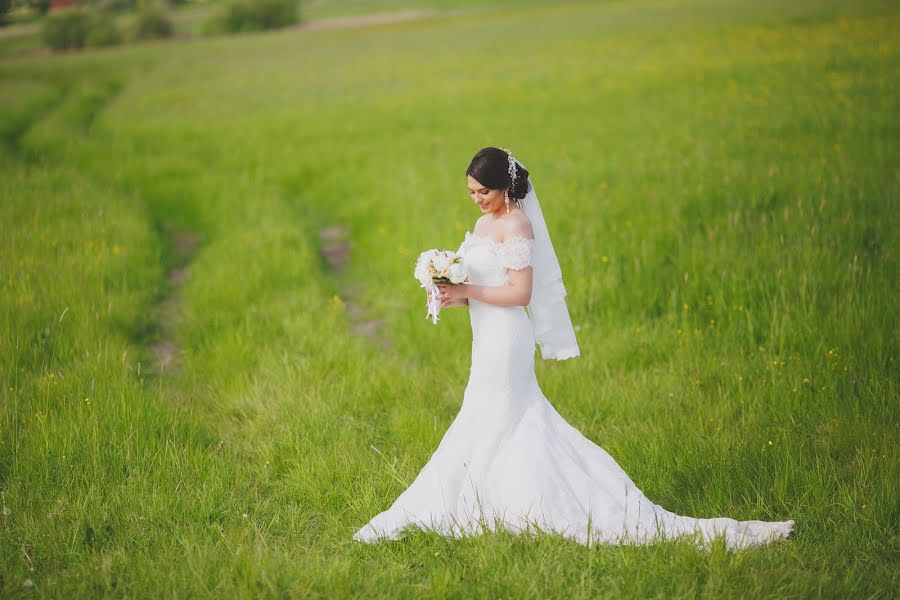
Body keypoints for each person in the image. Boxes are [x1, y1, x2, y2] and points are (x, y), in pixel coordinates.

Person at [352, 147, 794, 549]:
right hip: (484, 337)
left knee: (505, 413)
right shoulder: (483, 223)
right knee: (483, 413)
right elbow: (485, 284)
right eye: (471, 192)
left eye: (483, 191)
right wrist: (455, 293)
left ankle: (515, 502)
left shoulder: (517, 224)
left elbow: (519, 293)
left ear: (505, 187)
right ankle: (479, 497)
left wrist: (469, 288)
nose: (477, 199)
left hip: (507, 339)